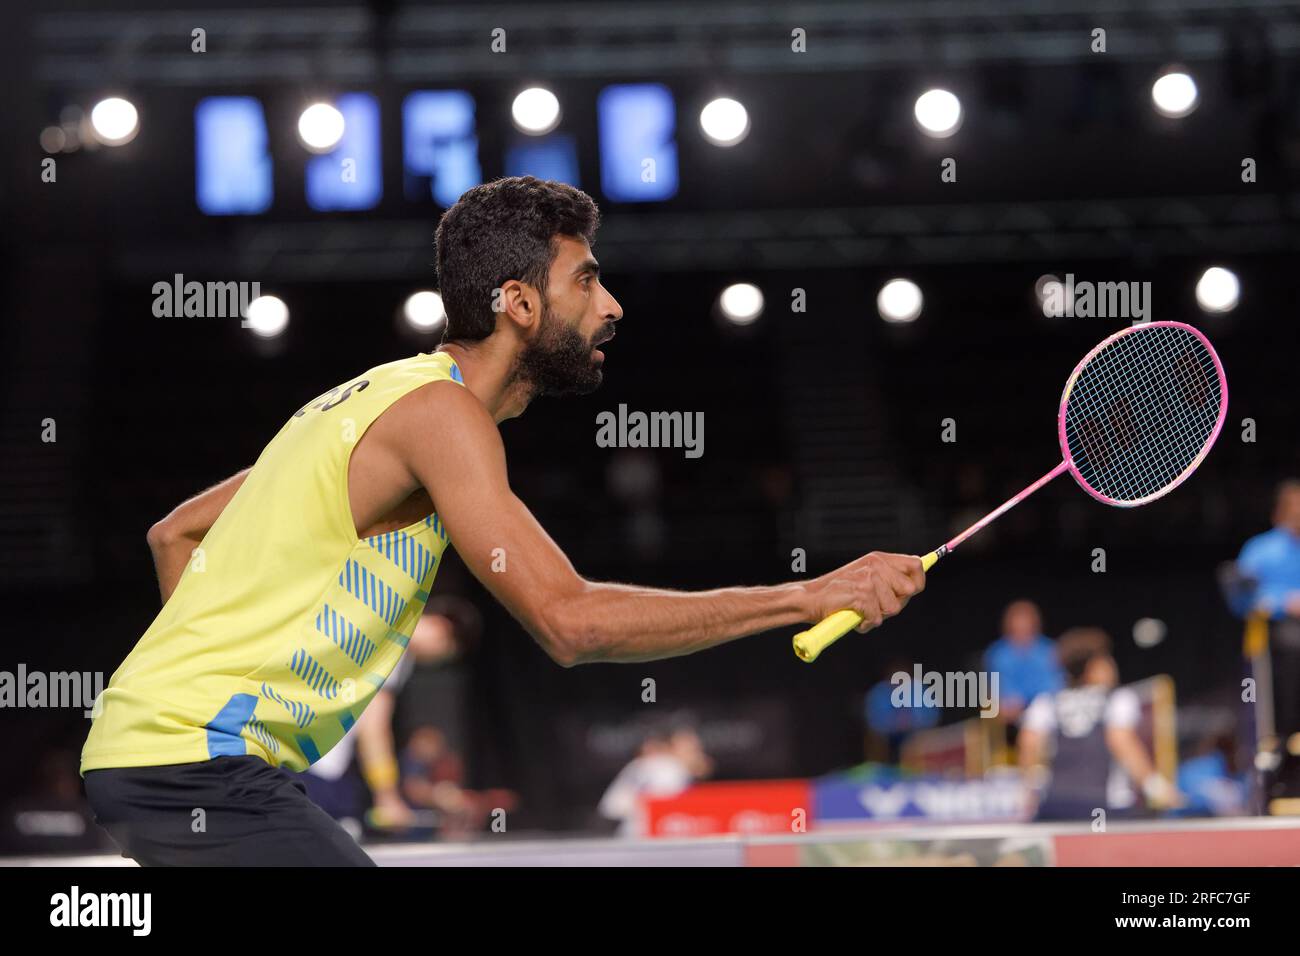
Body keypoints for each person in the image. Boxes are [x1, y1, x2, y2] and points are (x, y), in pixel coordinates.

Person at [80, 176, 926, 866]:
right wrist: (806, 596)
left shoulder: (367, 401)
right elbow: (571, 622)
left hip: (158, 763)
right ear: (519, 302)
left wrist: (205, 700)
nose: (612, 305)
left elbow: (174, 535)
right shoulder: (444, 419)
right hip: (192, 771)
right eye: (586, 279)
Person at [301, 597, 481, 834]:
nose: (436, 661)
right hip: (312, 767)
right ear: (444, 631)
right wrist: (387, 796)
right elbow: (373, 728)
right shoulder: (392, 642)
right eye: (446, 655)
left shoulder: (363, 620)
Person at [1017, 627, 1179, 821]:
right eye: (1106, 660)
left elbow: (1028, 743)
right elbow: (1121, 741)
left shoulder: (1046, 702)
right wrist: (1156, 788)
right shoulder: (1118, 699)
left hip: (1055, 805)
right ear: (1091, 668)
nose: (1112, 665)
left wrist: (1032, 789)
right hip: (1103, 808)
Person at [597, 725, 713, 836]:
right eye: (689, 748)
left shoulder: (657, 764)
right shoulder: (668, 768)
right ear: (671, 747)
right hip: (642, 834)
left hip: (629, 831)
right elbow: (665, 813)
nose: (695, 753)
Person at [982, 600, 1063, 725]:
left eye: (1026, 623)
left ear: (1034, 624)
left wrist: (1034, 703)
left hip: (1046, 710)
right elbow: (997, 688)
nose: (1022, 627)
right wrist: (1007, 702)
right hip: (1012, 713)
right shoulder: (997, 654)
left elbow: (1055, 684)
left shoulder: (1049, 650)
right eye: (1018, 624)